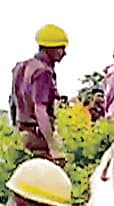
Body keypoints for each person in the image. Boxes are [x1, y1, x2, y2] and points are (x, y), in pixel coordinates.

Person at [11, 24, 69, 163]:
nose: (64, 53)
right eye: (61, 48)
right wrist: (52, 146)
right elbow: (40, 109)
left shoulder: (21, 67)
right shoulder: (43, 72)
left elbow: (13, 102)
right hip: (37, 139)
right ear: (49, 48)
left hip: (22, 136)